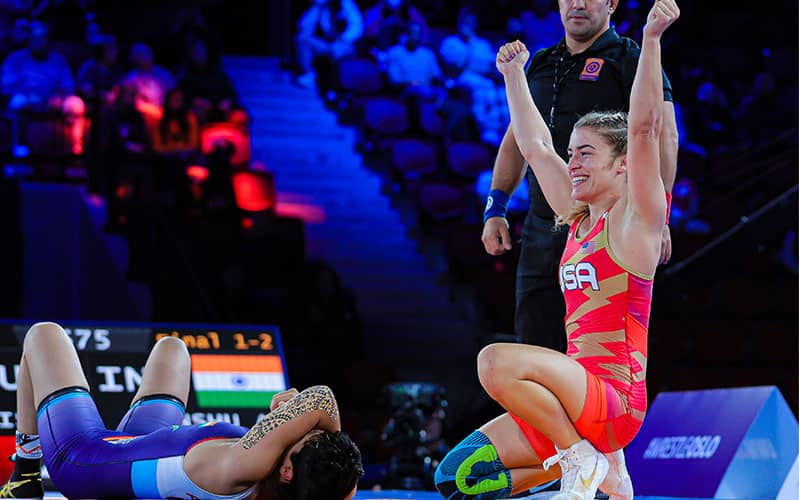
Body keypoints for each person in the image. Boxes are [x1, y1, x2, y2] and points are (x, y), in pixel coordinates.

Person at [436, 2, 679, 499]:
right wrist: (512, 75)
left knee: (494, 362)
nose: (573, 164)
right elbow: (535, 147)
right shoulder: (574, 218)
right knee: (457, 479)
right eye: (573, 154)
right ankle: (602, 472)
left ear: (622, 167)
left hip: (613, 400)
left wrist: (652, 39)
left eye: (585, 153)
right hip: (572, 399)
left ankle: (581, 458)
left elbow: (646, 127)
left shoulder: (637, 223)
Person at [480, 0, 679, 352]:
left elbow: (655, 132)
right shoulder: (540, 63)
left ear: (611, 4)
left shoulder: (628, 57)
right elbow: (528, 142)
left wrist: (656, 217)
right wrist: (496, 207)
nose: (577, 4)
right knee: (529, 349)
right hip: (550, 220)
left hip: (610, 222)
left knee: (593, 342)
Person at [0, 322, 363, 499]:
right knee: (173, 349)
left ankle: (25, 475)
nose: (302, 429)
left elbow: (320, 399)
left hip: (83, 461)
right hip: (139, 446)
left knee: (43, 335)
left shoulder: (246, 466)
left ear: (286, 471)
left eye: (304, 438)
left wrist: (300, 414)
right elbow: (341, 479)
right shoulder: (298, 484)